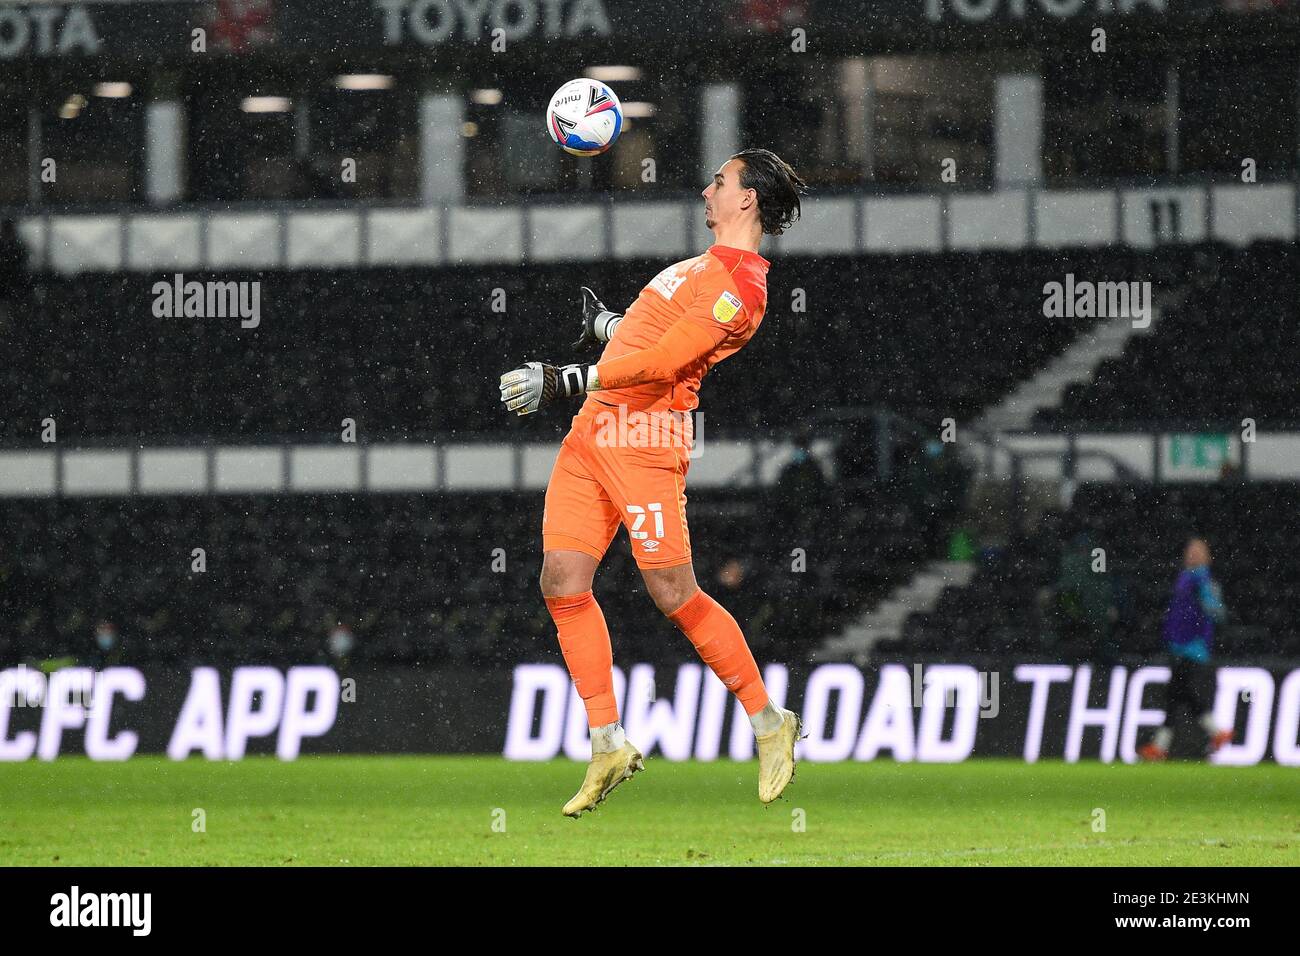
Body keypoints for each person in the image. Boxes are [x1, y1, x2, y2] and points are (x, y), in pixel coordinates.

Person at [498, 148, 807, 816]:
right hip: (594, 433)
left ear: (747, 199)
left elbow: (670, 360)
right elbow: (651, 335)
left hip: (644, 439)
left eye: (719, 182)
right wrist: (607, 327)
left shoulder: (743, 285)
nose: (706, 190)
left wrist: (568, 376)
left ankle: (768, 721)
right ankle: (607, 742)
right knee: (561, 580)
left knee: (671, 589)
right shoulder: (704, 270)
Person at [1139, 538, 1234, 761]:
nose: (1192, 555)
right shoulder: (1186, 578)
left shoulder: (1202, 579)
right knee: (1180, 694)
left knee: (1177, 694)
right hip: (1179, 645)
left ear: (1207, 557)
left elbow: (1217, 612)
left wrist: (1207, 604)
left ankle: (1161, 746)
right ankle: (1215, 733)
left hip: (1192, 647)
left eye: (1198, 552)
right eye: (1190, 551)